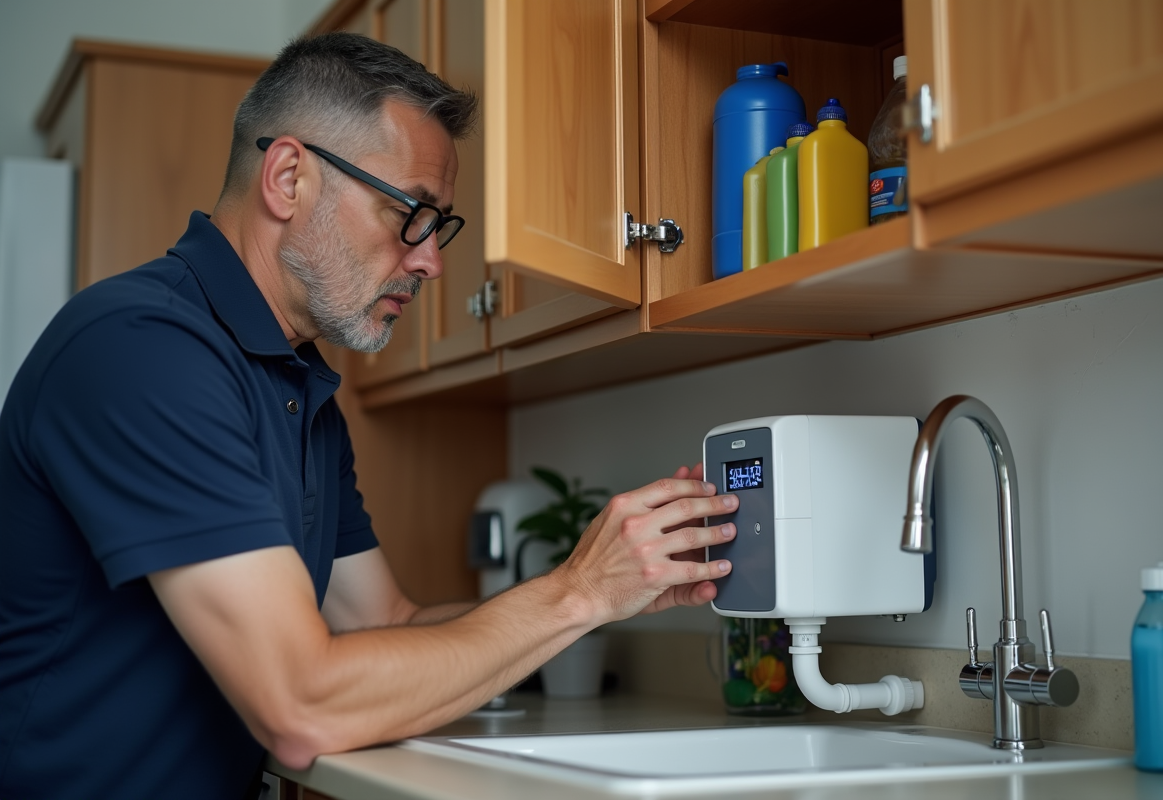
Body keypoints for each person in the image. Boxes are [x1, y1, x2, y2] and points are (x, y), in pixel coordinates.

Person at [0, 32, 739, 799]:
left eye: (438, 224)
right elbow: (300, 704)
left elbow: (386, 621)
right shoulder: (143, 348)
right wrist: (578, 592)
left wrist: (610, 590)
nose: (431, 262)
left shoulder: (298, 390)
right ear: (289, 177)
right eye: (410, 213)